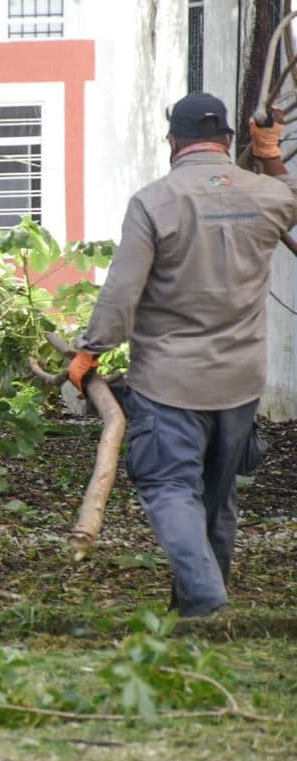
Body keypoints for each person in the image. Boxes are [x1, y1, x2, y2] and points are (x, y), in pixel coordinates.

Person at [67, 92, 297, 619]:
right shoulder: (264, 195)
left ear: (172, 139)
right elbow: (291, 193)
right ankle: (199, 620)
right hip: (240, 382)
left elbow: (122, 293)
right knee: (217, 502)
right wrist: (270, 152)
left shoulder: (155, 202)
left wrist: (90, 352)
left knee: (170, 488)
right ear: (230, 142)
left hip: (169, 384)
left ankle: (207, 602)